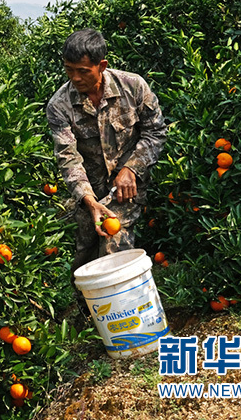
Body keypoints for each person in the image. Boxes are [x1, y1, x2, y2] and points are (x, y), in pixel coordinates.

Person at [45, 28, 167, 302]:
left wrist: (131, 168)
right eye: (68, 70)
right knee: (86, 254)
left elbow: (156, 132)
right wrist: (88, 201)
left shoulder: (133, 87)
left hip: (125, 188)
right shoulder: (60, 105)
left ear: (102, 66)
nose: (75, 78)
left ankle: (124, 321)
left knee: (115, 247)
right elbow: (68, 155)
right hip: (88, 190)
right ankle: (88, 318)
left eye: (83, 70)